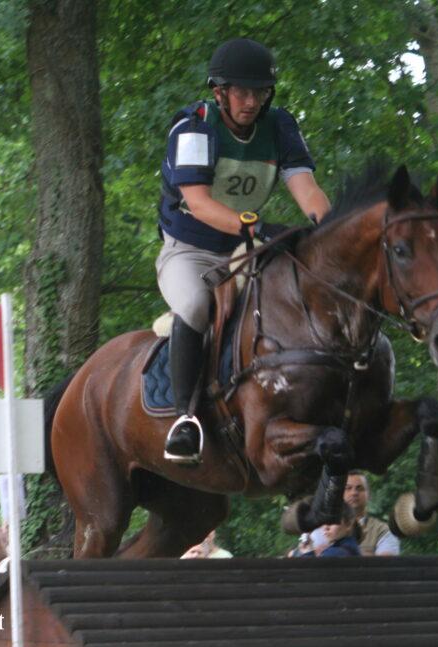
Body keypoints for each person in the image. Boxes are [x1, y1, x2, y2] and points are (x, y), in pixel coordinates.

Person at [157, 38, 331, 464]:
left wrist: (330, 231)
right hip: (189, 250)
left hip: (246, 248)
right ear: (220, 92)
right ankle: (185, 419)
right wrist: (254, 225)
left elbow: (306, 189)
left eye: (259, 93)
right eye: (241, 92)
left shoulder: (281, 126)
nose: (251, 101)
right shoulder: (195, 127)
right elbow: (198, 203)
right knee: (197, 306)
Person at [343, 471, 400, 556]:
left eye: (360, 488)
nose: (354, 493)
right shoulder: (327, 527)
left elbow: (385, 564)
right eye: (348, 488)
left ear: (369, 495)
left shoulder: (383, 530)